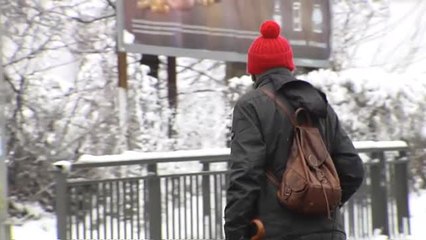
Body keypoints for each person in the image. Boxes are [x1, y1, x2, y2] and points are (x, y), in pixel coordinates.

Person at [224, 20, 365, 240]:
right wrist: (319, 201)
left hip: (275, 232)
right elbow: (353, 169)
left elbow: (244, 175)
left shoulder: (250, 106)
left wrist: (234, 232)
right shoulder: (320, 103)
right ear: (289, 65)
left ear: (254, 71)